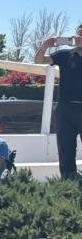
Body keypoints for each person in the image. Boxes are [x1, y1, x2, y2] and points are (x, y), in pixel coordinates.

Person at [35, 25, 82, 178]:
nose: (79, 38)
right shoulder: (66, 54)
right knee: (65, 149)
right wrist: (45, 45)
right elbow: (39, 61)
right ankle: (68, 182)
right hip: (65, 108)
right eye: (78, 34)